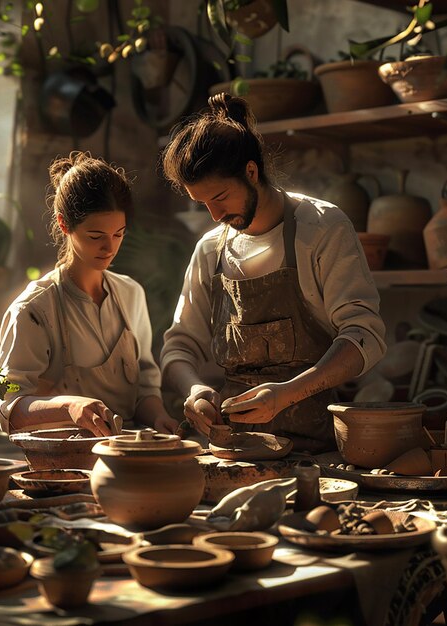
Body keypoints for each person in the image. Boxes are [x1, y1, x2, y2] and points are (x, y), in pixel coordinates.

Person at [159, 94, 387, 453]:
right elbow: (179, 346)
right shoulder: (210, 249)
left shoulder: (322, 228)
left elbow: (364, 336)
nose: (214, 215)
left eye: (220, 197)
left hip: (319, 448)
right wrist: (194, 389)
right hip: (236, 448)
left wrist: (287, 394)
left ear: (251, 172)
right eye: (202, 204)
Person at [0, 151, 179, 437]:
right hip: (61, 459)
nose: (109, 248)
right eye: (95, 236)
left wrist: (158, 418)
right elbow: (9, 409)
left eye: (118, 234)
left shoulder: (130, 294)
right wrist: (69, 408)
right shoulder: (34, 310)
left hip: (125, 451)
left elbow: (144, 388)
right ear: (63, 224)